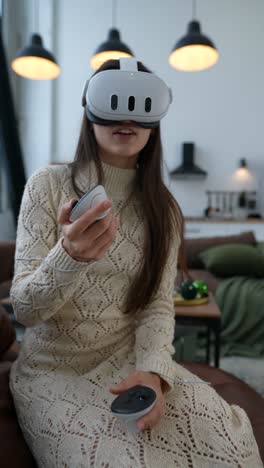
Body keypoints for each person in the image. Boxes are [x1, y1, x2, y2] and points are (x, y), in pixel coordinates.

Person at [9, 58, 261, 468]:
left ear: (155, 120)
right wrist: (69, 258)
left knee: (231, 444)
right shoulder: (48, 184)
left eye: (141, 106)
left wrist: (154, 374)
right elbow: (25, 310)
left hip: (130, 362)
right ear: (89, 110)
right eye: (112, 101)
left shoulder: (164, 209)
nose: (126, 116)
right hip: (53, 371)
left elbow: (158, 306)